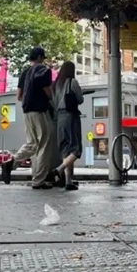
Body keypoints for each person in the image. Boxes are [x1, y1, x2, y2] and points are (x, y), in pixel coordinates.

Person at [2, 46, 54, 189]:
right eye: (43, 58)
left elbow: (19, 96)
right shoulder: (43, 71)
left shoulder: (24, 73)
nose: (43, 60)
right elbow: (49, 93)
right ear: (39, 58)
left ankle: (11, 163)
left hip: (27, 112)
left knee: (32, 144)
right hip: (40, 111)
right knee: (44, 145)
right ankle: (38, 180)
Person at [51, 61, 84, 191]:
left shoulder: (56, 85)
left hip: (60, 118)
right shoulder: (72, 82)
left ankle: (68, 182)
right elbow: (80, 99)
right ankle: (59, 170)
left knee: (65, 149)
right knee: (76, 149)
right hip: (71, 117)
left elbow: (54, 102)